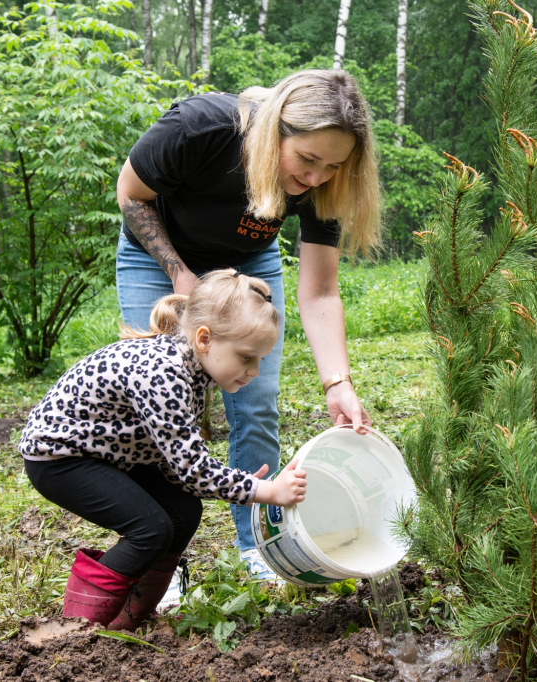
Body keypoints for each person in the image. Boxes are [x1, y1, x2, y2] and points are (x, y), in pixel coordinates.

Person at [115, 69, 378, 580]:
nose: (316, 178)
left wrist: (338, 383)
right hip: (158, 257)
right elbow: (130, 194)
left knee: (255, 403)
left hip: (248, 263)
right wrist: (180, 275)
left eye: (333, 166)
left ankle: (257, 549)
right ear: (275, 128)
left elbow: (320, 290)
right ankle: (158, 562)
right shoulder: (199, 129)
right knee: (156, 407)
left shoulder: (325, 182)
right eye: (306, 159)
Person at [19, 270, 308, 629]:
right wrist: (263, 491)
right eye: (247, 357)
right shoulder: (164, 372)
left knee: (183, 510)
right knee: (150, 528)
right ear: (205, 339)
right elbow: (193, 469)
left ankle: (130, 617)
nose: (255, 370)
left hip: (111, 452)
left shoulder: (191, 367)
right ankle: (77, 631)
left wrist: (241, 484)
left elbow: (177, 465)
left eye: (260, 359)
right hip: (62, 458)